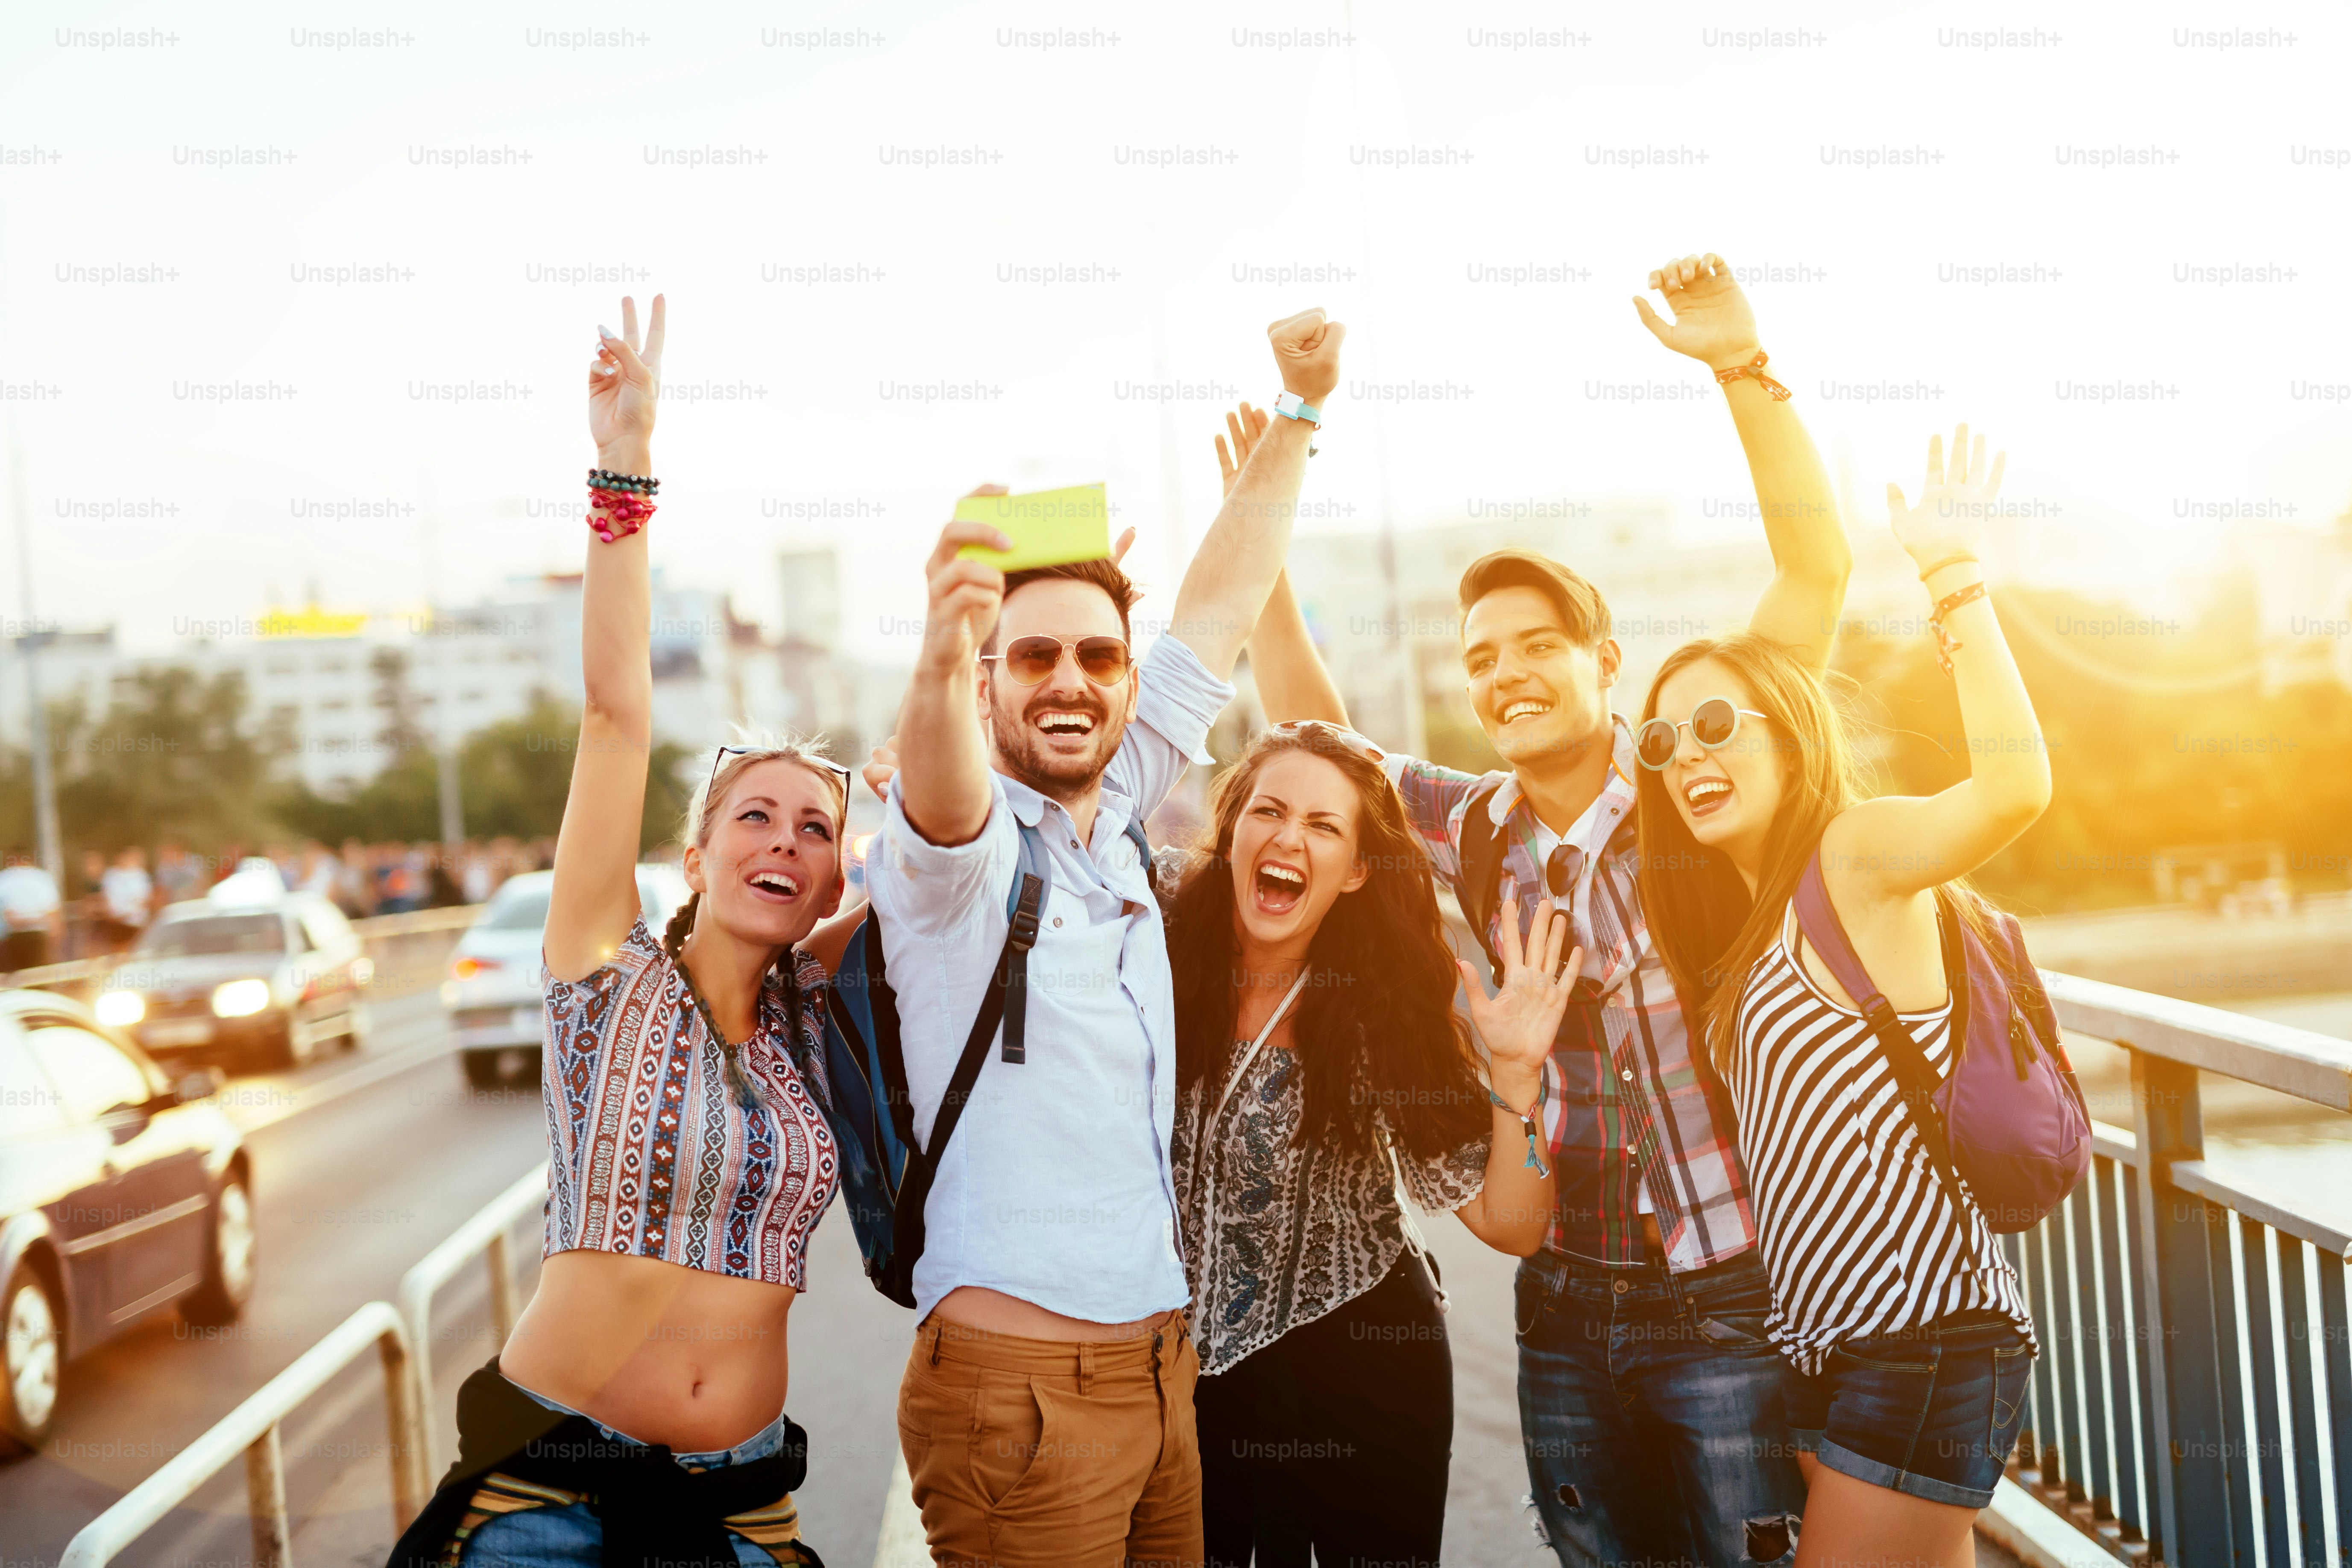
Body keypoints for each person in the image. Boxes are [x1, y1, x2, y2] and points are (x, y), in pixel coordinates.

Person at [1240, 253, 1849, 1567]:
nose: (1504, 674)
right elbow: (1313, 733)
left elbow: (1813, 577)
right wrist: (1266, 530)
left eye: (1534, 646)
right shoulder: (1472, 826)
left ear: (1603, 662)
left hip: (1727, 1294)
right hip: (1563, 1304)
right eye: (1480, 659)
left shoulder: (1695, 780)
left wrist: (1739, 369)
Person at [871, 308, 1344, 1568]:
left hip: (1155, 1370)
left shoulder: (1118, 807)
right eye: (1030, 658)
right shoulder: (960, 861)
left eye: (1096, 655)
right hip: (1016, 1393)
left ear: (1128, 681)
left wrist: (1298, 409)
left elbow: (1221, 601)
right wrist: (939, 651)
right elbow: (940, 785)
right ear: (986, 681)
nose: (1069, 678)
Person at [390, 296, 835, 1568]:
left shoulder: (827, 1026)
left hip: (741, 1505)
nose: (784, 840)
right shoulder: (606, 976)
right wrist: (624, 470)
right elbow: (614, 718)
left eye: (814, 827)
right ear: (695, 856)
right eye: (754, 815)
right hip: (551, 1498)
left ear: (829, 880)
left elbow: (959, 854)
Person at [1637, 428, 2047, 1566]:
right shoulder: (1746, 926)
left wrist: (1950, 572)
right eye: (1662, 739)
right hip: (1826, 1349)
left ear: (1788, 733)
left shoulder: (1850, 859)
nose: (1685, 755)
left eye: (1714, 725)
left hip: (1924, 1339)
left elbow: (2013, 787)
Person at [1166, 721, 1578, 1568]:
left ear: (1356, 870)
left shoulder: (1379, 1014)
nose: (1288, 838)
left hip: (1362, 1375)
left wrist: (1517, 1078)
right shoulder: (1152, 944)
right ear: (1232, 828)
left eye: (1323, 826)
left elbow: (1512, 1224)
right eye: (1268, 811)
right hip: (1181, 1381)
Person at [0, 851, 62, 972]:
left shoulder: (4, 878)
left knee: (17, 974)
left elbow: (7, 915)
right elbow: (53, 911)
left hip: (12, 936)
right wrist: (56, 934)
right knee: (40, 973)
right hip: (40, 935)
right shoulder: (42, 878)